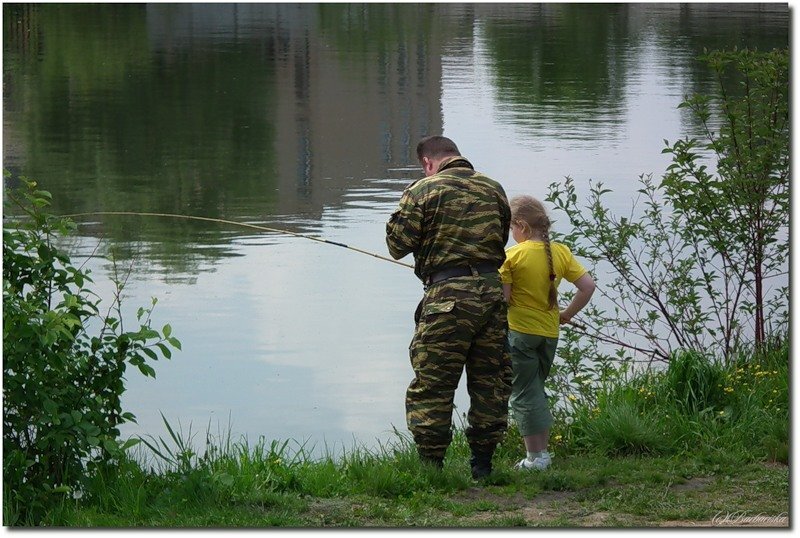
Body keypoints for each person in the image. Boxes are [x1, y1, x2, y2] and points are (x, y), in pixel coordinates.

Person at [386, 135, 512, 480]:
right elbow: (499, 239)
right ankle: (483, 466)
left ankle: (432, 466)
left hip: (447, 298)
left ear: (428, 163)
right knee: (491, 381)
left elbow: (397, 245)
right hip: (490, 294)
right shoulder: (494, 188)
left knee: (434, 382)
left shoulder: (423, 190)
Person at [499, 195, 595, 471]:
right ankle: (542, 453)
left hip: (520, 334)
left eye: (511, 229)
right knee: (535, 390)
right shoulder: (561, 252)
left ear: (521, 226)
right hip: (549, 334)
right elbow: (588, 287)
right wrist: (566, 315)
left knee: (523, 394)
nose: (511, 235)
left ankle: (536, 458)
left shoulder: (512, 256)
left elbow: (503, 301)